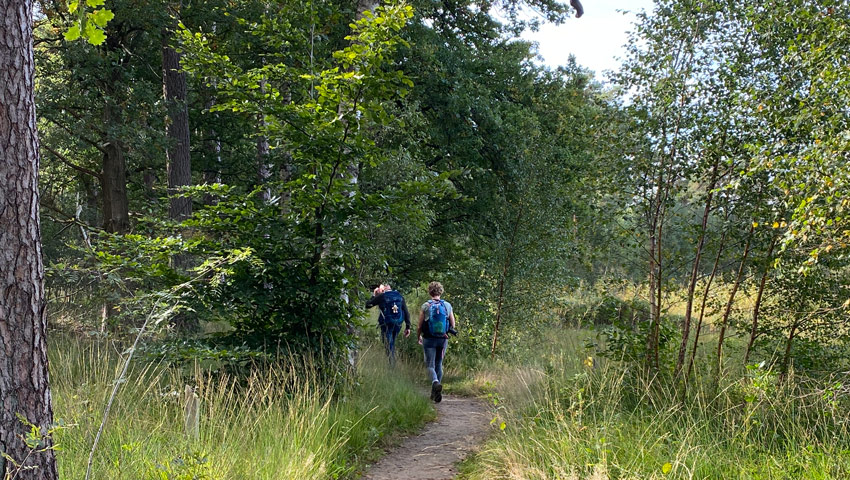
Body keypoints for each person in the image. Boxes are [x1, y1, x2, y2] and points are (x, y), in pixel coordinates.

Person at [417, 281, 456, 403]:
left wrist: (419, 336)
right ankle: (436, 393)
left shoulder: (426, 306)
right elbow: (453, 324)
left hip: (429, 339)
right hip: (443, 339)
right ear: (441, 292)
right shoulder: (447, 306)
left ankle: (435, 382)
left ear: (430, 292)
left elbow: (420, 325)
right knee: (439, 364)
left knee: (429, 365)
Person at [366, 283, 411, 364]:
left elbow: (368, 305)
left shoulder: (382, 296)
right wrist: (408, 327)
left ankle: (392, 363)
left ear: (383, 290)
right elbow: (406, 312)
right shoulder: (399, 295)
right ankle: (392, 360)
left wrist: (374, 295)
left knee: (388, 343)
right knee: (392, 342)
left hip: (386, 324)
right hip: (398, 323)